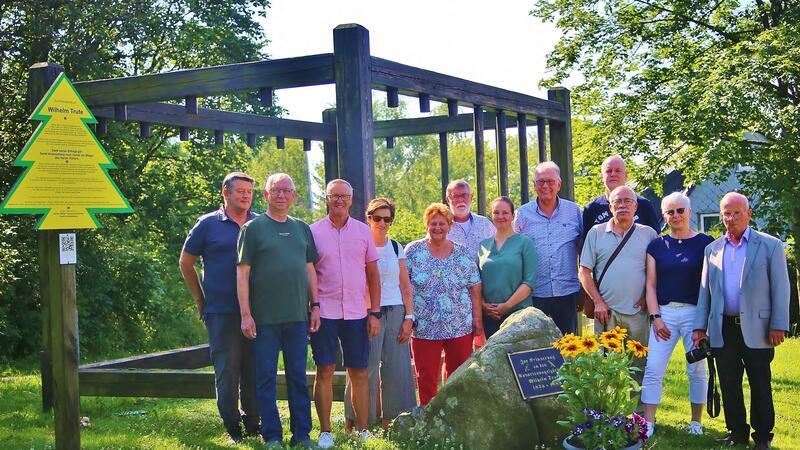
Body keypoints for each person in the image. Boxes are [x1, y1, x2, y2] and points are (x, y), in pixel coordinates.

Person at [693, 192, 790, 450]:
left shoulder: (770, 245)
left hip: (759, 328)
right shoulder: (711, 249)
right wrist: (699, 328)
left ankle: (762, 437)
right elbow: (705, 291)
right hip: (722, 328)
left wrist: (779, 324)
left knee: (760, 382)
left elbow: (781, 288)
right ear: (721, 215)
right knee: (729, 383)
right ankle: (737, 432)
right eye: (727, 213)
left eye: (737, 213)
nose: (731, 218)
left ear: (748, 214)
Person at [236, 173, 319, 447]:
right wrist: (246, 314)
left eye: (287, 191)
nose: (282, 195)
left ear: (294, 196)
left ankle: (302, 434)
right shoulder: (253, 228)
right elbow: (242, 274)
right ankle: (272, 435)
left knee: (298, 377)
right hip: (264, 320)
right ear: (266, 195)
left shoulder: (302, 229)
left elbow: (310, 270)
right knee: (265, 379)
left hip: (297, 318)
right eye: (276, 190)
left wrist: (315, 306)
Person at [179, 171, 259, 442]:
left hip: (257, 312)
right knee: (227, 371)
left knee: (255, 369)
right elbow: (185, 263)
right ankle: (233, 428)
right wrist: (201, 300)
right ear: (225, 193)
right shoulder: (207, 224)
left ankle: (254, 425)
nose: (246, 196)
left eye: (249, 192)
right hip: (221, 311)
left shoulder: (259, 224)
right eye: (240, 191)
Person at [310, 179, 382, 447]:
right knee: (325, 369)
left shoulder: (364, 232)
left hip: (356, 312)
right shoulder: (313, 232)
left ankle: (363, 430)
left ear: (351, 200)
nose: (339, 200)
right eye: (334, 196)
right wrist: (312, 307)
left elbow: (373, 275)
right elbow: (308, 274)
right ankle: (326, 431)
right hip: (324, 311)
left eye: (344, 196)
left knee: (359, 371)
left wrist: (374, 312)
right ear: (327, 199)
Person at [640, 192, 713, 439]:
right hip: (665, 314)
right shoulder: (656, 246)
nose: (676, 215)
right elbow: (650, 285)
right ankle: (648, 422)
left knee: (696, 370)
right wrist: (656, 317)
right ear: (664, 216)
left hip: (695, 315)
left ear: (689, 212)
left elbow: (711, 285)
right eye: (670, 212)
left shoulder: (706, 243)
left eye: (680, 210)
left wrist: (703, 323)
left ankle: (696, 422)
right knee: (653, 368)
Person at [344, 198, 417, 431]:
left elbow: (405, 286)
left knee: (398, 368)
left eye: (387, 218)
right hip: (367, 313)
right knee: (363, 367)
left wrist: (409, 317)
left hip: (396, 311)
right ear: (369, 219)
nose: (382, 223)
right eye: (378, 218)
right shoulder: (359, 245)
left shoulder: (397, 247)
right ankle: (356, 420)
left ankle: (394, 421)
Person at [405, 203, 483, 406]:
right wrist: (408, 317)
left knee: (458, 374)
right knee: (426, 375)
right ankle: (427, 417)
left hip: (459, 324)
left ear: (449, 226)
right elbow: (404, 286)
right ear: (426, 225)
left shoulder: (462, 253)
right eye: (433, 223)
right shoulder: (413, 251)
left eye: (442, 223)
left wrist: (477, 319)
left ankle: (454, 415)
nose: (437, 227)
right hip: (424, 326)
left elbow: (475, 287)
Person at [580, 185, 658, 384]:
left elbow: (657, 271)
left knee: (639, 367)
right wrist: (597, 302)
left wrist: (648, 298)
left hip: (638, 313)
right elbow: (584, 271)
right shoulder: (596, 233)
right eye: (617, 202)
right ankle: (607, 412)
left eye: (627, 201)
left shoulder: (648, 234)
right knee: (604, 367)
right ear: (610, 207)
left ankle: (638, 413)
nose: (622, 206)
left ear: (636, 207)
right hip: (606, 313)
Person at [514, 161, 583, 334]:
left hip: (567, 290)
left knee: (569, 344)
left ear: (559, 184)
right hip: (535, 291)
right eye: (540, 181)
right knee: (536, 344)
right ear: (534, 185)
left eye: (550, 181)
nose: (545, 186)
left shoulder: (574, 211)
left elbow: (584, 248)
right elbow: (514, 250)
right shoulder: (522, 214)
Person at [479, 196, 538, 338]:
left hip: (519, 314)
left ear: (513, 216)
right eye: (496, 212)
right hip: (491, 316)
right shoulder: (483, 245)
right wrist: (483, 305)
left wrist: (506, 306)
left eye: (505, 213)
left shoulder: (524, 243)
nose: (500, 216)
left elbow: (529, 281)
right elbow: (476, 281)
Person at [582, 155, 660, 239]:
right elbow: (586, 245)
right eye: (608, 171)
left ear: (626, 175)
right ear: (602, 176)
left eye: (618, 171)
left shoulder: (643, 205)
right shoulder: (591, 209)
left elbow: (656, 242)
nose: (613, 174)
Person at [445, 179, 496, 259]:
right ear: (448, 200)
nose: (460, 200)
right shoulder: (440, 227)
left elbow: (498, 252)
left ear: (471, 197)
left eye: (464, 195)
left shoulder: (485, 224)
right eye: (455, 196)